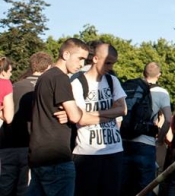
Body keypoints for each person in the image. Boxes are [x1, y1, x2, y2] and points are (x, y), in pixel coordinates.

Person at [27, 38, 89, 196]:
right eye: (80, 58)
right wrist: (75, 112)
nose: (82, 64)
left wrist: (68, 114)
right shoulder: (60, 78)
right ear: (66, 54)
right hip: (56, 156)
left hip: (38, 154)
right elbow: (76, 116)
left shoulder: (45, 77)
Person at [71, 42, 127, 196]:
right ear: (95, 59)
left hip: (114, 149)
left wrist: (92, 115)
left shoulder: (112, 80)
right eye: (108, 62)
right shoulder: (78, 83)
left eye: (113, 63)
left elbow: (123, 109)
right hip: (87, 152)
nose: (110, 67)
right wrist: (110, 114)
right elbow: (81, 120)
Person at [0, 51, 53, 196]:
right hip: (33, 145)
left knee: (5, 186)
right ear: (49, 66)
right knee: (24, 188)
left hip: (8, 143)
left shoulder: (15, 86)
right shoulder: (48, 89)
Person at [121, 61, 172, 196]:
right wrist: (160, 139)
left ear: (143, 73)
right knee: (145, 188)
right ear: (159, 75)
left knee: (123, 186)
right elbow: (168, 119)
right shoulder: (162, 93)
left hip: (124, 142)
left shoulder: (132, 87)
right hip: (146, 144)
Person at [0, 56, 14, 127]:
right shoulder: (5, 84)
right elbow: (9, 118)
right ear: (3, 72)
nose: (11, 74)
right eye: (10, 71)